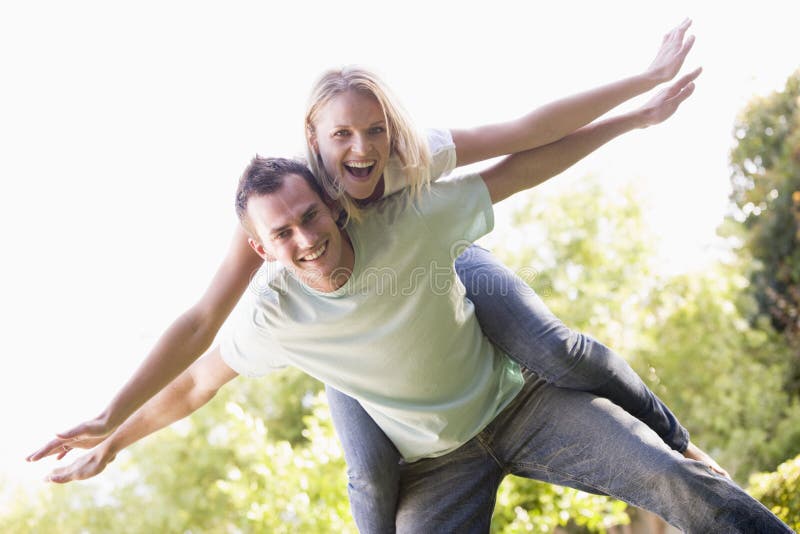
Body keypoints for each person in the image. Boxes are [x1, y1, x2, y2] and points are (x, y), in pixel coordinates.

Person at [29, 19, 720, 530]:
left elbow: (526, 135)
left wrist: (643, 97)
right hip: (348, 336)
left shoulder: (406, 161)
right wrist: (109, 424)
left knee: (556, 349)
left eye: (374, 131)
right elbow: (198, 339)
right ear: (312, 134)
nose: (360, 151)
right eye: (341, 136)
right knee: (369, 479)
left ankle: (679, 446)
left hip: (443, 269)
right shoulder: (284, 213)